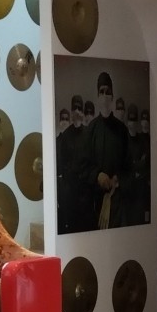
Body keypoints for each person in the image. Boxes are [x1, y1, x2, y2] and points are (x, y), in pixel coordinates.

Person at [88, 72, 130, 230]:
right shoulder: (91, 130)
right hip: (94, 201)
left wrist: (117, 180)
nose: (105, 95)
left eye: (108, 92)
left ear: (112, 95)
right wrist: (97, 175)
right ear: (97, 95)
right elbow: (82, 164)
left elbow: (129, 164)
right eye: (102, 92)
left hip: (118, 200)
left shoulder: (121, 130)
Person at [55, 95, 91, 233]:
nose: (77, 111)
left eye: (79, 108)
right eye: (74, 108)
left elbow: (91, 161)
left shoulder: (88, 134)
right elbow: (62, 164)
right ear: (71, 111)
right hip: (71, 193)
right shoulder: (65, 136)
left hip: (86, 192)